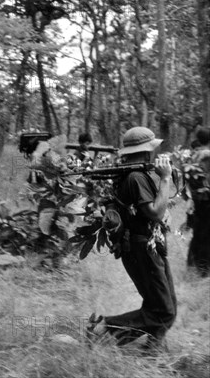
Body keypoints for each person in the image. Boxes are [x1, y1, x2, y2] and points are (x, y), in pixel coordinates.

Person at [88, 126, 177, 354]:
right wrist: (165, 178)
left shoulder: (134, 174)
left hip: (148, 246)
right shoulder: (136, 177)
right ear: (147, 151)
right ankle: (102, 328)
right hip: (140, 248)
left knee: (167, 307)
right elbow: (156, 212)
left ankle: (152, 351)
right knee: (163, 311)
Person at [185, 127, 210, 276]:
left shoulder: (194, 156)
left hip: (196, 200)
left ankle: (192, 264)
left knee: (198, 232)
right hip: (207, 199)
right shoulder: (207, 155)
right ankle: (204, 269)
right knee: (207, 234)